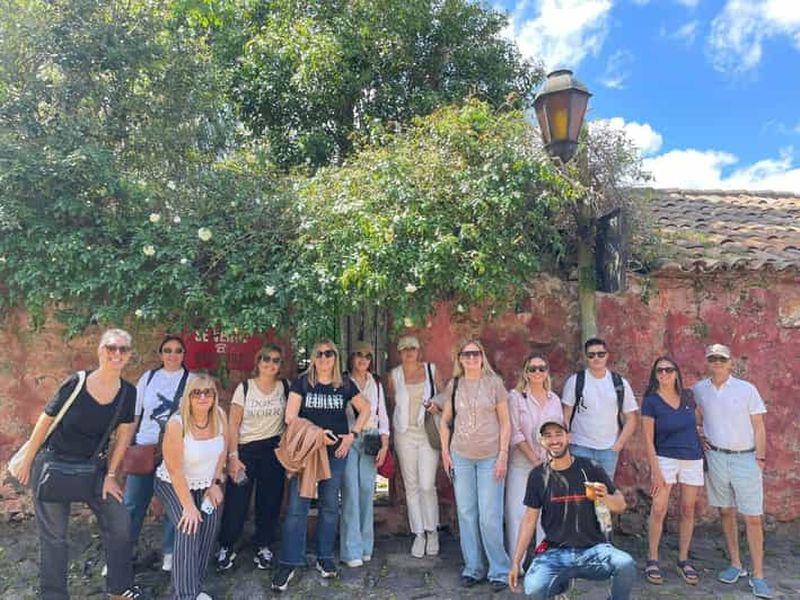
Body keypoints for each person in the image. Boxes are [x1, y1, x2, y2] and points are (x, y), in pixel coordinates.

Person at [13, 328, 143, 600]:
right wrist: (27, 461)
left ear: (129, 355)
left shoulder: (128, 393)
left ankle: (119, 590)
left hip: (92, 468)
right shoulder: (77, 382)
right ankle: (54, 595)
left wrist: (110, 475)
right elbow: (45, 420)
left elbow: (123, 437)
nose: (116, 354)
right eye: (111, 347)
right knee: (54, 537)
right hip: (52, 464)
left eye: (123, 349)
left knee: (119, 520)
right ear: (100, 350)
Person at [271, 339, 371, 593]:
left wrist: (352, 435)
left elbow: (366, 408)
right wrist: (318, 434)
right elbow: (290, 417)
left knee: (329, 505)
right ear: (314, 358)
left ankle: (324, 556)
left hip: (335, 452)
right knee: (297, 505)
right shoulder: (302, 383)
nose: (324, 358)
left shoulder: (345, 385)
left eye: (329, 354)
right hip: (306, 451)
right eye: (320, 354)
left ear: (336, 357)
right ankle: (290, 561)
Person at [508, 420, 636, 599]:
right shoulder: (538, 476)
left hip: (593, 550)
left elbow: (621, 505)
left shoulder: (590, 467)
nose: (554, 440)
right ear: (541, 442)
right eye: (548, 436)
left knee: (626, 565)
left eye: (558, 434)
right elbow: (529, 520)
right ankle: (560, 587)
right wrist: (515, 562)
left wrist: (604, 497)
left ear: (568, 437)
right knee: (534, 590)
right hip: (554, 553)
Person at [692, 343, 772, 599]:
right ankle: (736, 564)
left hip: (745, 458)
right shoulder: (699, 390)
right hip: (716, 456)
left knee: (753, 517)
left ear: (730, 362)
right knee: (725, 511)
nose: (717, 362)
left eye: (721, 359)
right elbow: (692, 416)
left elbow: (759, 426)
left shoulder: (746, 389)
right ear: (707, 361)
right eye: (712, 358)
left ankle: (758, 575)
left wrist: (759, 458)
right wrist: (699, 433)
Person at [440, 339, 511, 592]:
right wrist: (446, 454)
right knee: (467, 514)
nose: (471, 358)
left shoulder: (495, 384)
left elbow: (505, 423)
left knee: (489, 516)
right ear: (460, 358)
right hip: (461, 456)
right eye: (466, 354)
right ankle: (473, 567)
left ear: (482, 356)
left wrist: (503, 455)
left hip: (490, 456)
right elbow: (445, 420)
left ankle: (500, 570)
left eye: (476, 353)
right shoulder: (454, 385)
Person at [154, 374, 228, 600]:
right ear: (188, 397)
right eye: (197, 392)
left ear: (214, 396)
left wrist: (216, 483)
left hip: (206, 484)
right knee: (189, 525)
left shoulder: (220, 417)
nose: (203, 397)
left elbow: (222, 452)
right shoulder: (177, 424)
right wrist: (188, 506)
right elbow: (175, 469)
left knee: (210, 522)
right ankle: (185, 595)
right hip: (173, 484)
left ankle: (195, 584)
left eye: (209, 392)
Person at [215, 344, 288, 572]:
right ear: (258, 362)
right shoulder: (245, 388)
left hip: (273, 450)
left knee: (270, 501)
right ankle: (226, 545)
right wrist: (233, 457)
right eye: (266, 359)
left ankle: (263, 544)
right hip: (246, 450)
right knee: (237, 500)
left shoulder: (285, 387)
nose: (270, 363)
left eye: (275, 360)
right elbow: (233, 425)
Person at [124, 334, 190, 572]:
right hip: (145, 447)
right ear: (161, 354)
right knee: (132, 504)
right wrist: (126, 444)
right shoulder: (148, 378)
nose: (173, 355)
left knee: (176, 505)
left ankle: (171, 553)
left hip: (175, 451)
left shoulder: (191, 381)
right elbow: (135, 415)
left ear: (184, 355)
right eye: (168, 350)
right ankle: (121, 553)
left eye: (178, 350)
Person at [642, 356, 704, 586]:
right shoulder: (651, 401)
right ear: (655, 374)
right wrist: (655, 471)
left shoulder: (688, 397)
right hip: (665, 458)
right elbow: (648, 440)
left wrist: (703, 436)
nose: (664, 374)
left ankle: (683, 559)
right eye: (660, 371)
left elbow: (697, 422)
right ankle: (653, 558)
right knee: (659, 508)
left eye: (669, 370)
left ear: (676, 372)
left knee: (688, 510)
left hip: (692, 458)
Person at [386, 335, 444, 558]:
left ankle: (433, 531)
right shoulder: (394, 375)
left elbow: (444, 396)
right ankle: (419, 533)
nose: (409, 352)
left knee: (427, 484)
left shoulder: (431, 370)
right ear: (400, 353)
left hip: (427, 432)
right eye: (404, 349)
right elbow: (392, 403)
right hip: (404, 434)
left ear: (419, 351)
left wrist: (436, 406)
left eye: (413, 348)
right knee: (411, 486)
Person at [505, 353, 563, 561]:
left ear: (547, 372)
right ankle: (516, 563)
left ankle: (542, 562)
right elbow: (515, 432)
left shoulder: (554, 399)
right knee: (517, 514)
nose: (537, 372)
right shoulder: (516, 397)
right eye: (532, 369)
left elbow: (558, 431)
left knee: (544, 516)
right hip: (521, 464)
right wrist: (533, 459)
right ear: (526, 373)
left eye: (541, 368)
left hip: (548, 464)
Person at [339, 341, 390, 567]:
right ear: (351, 358)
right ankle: (351, 550)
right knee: (350, 492)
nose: (363, 359)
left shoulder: (375, 383)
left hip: (370, 438)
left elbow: (382, 415)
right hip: (349, 438)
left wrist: (385, 444)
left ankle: (366, 546)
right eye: (358, 355)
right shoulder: (342, 381)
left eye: (367, 356)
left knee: (367, 491)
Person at [561, 337, 638, 480]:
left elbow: (631, 418)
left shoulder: (619, 383)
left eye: (600, 354)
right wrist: (567, 437)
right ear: (586, 357)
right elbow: (566, 414)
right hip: (580, 447)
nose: (596, 358)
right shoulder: (575, 381)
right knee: (579, 493)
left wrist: (619, 444)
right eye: (591, 355)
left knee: (604, 496)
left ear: (607, 355)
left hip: (608, 449)